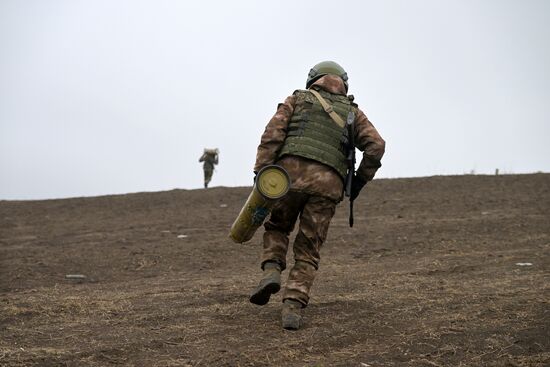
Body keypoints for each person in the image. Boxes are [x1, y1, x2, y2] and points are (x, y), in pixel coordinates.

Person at [249, 61, 386, 330]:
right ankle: (293, 306)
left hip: (288, 178)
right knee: (309, 248)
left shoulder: (297, 100)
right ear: (343, 82)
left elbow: (272, 135)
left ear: (314, 79)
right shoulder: (353, 114)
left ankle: (272, 270)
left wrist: (262, 173)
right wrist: (357, 182)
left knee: (278, 227)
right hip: (328, 187)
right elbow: (376, 146)